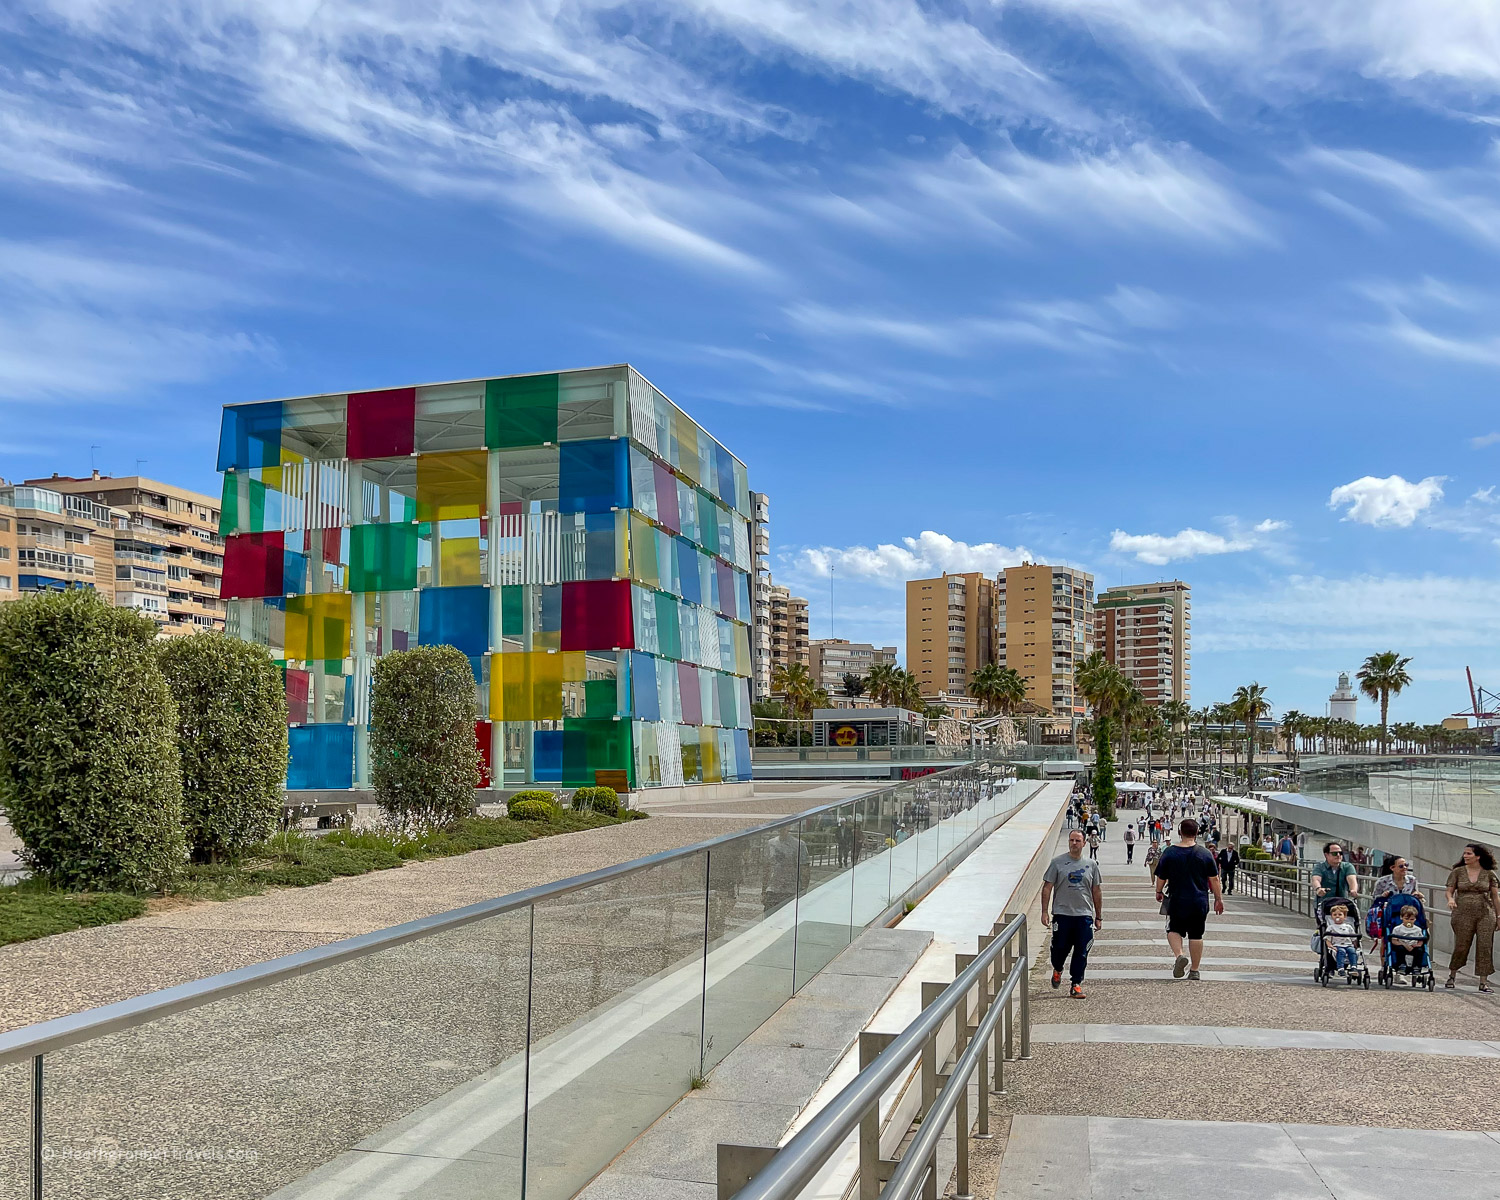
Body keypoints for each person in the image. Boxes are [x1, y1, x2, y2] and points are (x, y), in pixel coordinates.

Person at [1154, 818, 1224, 980]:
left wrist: (1158, 891)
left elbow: (1161, 876)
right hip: (1199, 900)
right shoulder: (1205, 854)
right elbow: (1214, 879)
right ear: (1197, 832)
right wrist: (1218, 899)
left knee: (1173, 929)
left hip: (1177, 899)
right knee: (1196, 934)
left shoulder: (1170, 852)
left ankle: (1179, 955)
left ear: (1180, 832)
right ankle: (1194, 970)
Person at [1041, 829, 1103, 999]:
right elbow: (1047, 887)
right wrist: (1044, 912)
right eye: (1071, 840)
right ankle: (1058, 968)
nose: (1074, 843)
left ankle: (1076, 983)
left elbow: (1096, 891)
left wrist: (1098, 916)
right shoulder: (1057, 863)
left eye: (1077, 841)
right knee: (1060, 948)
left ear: (1084, 843)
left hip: (1084, 915)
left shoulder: (1091, 865)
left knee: (1082, 951)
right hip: (1062, 914)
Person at [1445, 842, 1500, 991]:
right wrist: (1450, 899)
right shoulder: (1458, 872)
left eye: (1469, 853)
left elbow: (1495, 896)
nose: (1465, 856)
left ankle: (1483, 981)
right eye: (1465, 853)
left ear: (1478, 856)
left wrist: (1498, 916)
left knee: (1485, 946)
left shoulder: (1489, 874)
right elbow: (1449, 890)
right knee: (1462, 945)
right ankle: (1452, 975)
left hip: (1485, 912)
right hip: (1462, 912)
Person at [1322, 901, 1360, 976]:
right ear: (1332, 916)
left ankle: (1353, 967)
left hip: (1348, 945)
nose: (1337, 916)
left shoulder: (1348, 927)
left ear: (1344, 916)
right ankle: (1340, 968)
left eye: (1340, 915)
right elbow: (1328, 938)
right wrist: (1330, 946)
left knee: (1352, 951)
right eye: (1335, 915)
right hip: (1337, 945)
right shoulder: (1331, 927)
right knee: (1341, 951)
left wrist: (1356, 945)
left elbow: (1353, 938)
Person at [1388, 904, 1427, 974]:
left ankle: (1416, 966)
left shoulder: (1418, 929)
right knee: (1400, 949)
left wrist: (1418, 945)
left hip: (1413, 946)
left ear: (1415, 919)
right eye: (1406, 919)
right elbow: (1394, 940)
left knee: (1419, 951)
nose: (1409, 921)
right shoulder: (1397, 929)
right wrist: (1403, 944)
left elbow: (1421, 940)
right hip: (1402, 945)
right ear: (1401, 918)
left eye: (1411, 919)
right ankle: (1401, 965)